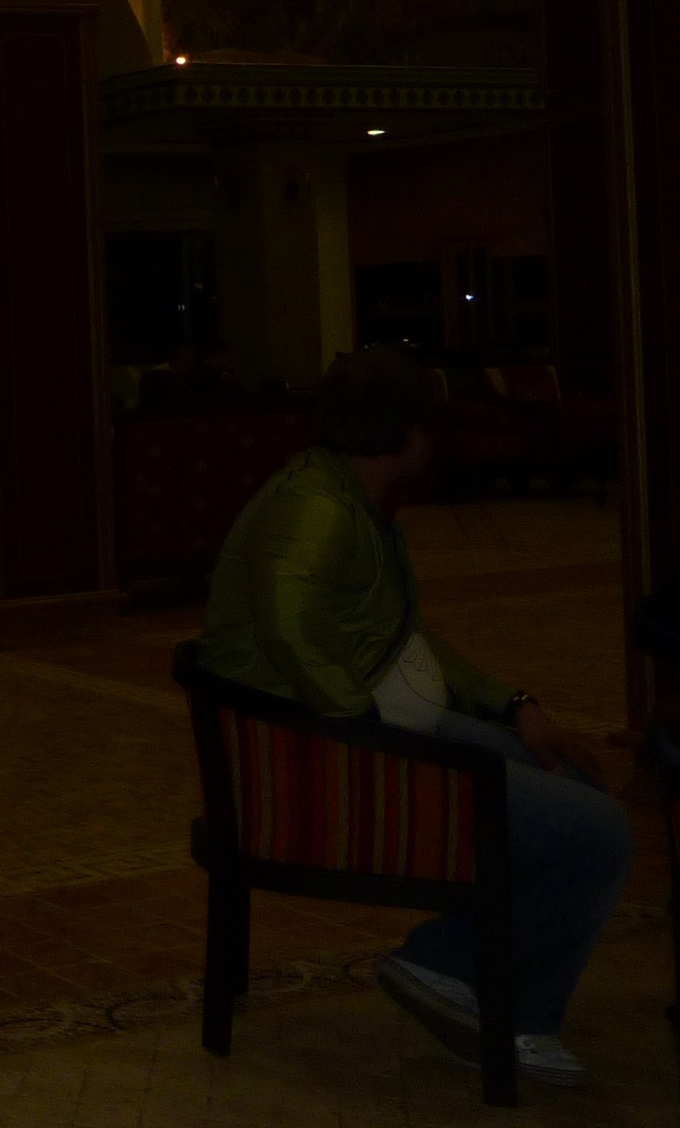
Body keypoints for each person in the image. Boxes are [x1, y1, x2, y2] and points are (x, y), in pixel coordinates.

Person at [197, 347, 630, 1088]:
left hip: (360, 734)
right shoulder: (316, 511)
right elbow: (289, 624)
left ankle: (455, 970)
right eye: (431, 427)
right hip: (322, 764)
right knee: (598, 832)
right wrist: (366, 730)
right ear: (407, 433)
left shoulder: (345, 496)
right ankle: (491, 1001)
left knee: (573, 789)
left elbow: (401, 639)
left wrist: (515, 705)